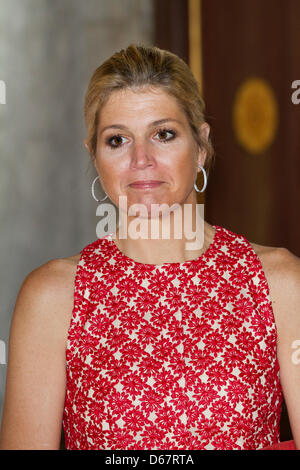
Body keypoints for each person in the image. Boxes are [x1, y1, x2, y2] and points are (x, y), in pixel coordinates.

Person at [0, 43, 299, 451]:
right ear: (94, 155)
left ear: (201, 146)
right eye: (118, 140)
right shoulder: (52, 297)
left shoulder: (280, 284)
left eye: (163, 134)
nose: (142, 159)